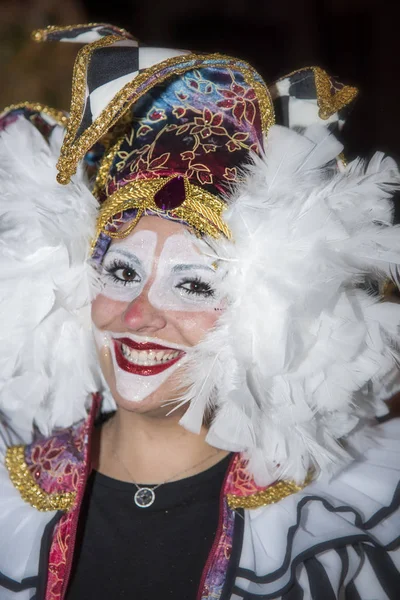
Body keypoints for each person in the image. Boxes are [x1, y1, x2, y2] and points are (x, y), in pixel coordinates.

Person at [0, 22, 400, 600]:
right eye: (122, 273)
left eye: (192, 286)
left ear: (263, 308)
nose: (137, 316)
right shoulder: (10, 495)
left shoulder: (344, 516)